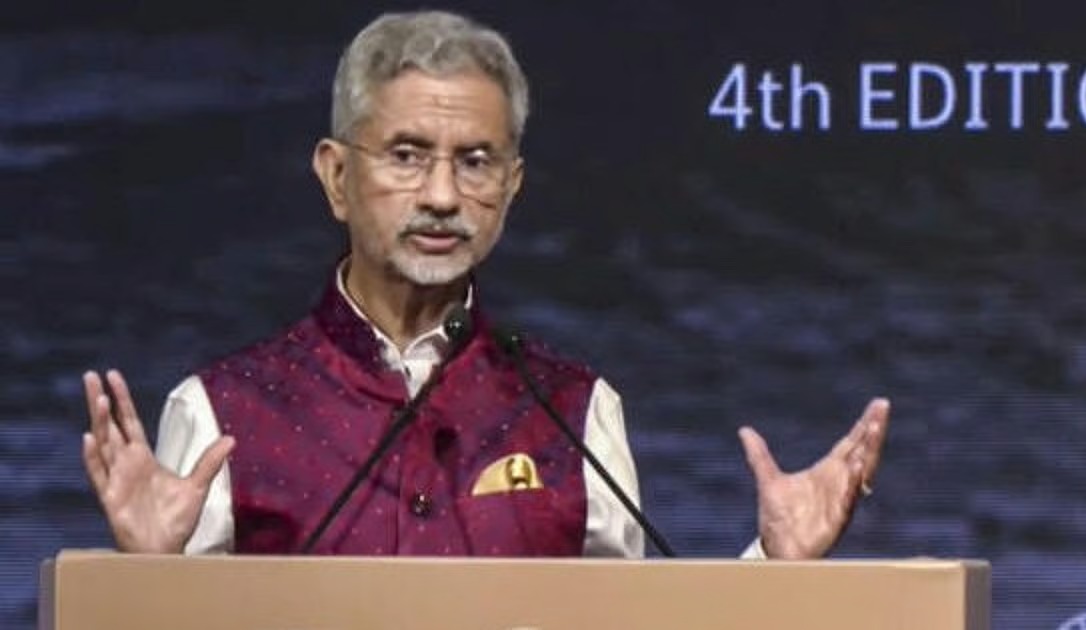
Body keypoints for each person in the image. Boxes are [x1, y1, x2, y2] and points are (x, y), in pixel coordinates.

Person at [81, 9, 889, 559]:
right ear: (336, 178)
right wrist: (142, 581)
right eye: (406, 155)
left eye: (475, 162)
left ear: (511, 187)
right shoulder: (221, 412)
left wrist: (774, 569)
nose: (442, 195)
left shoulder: (578, 412)